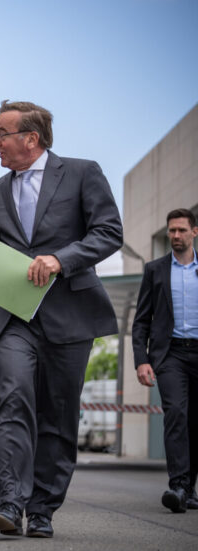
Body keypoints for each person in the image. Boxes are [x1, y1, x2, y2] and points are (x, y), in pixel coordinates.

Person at [0, 100, 122, 538]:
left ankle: (42, 508)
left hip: (69, 314)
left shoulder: (83, 172)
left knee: (58, 416)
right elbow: (5, 250)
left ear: (31, 138)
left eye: (0, 134)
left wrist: (60, 259)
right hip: (13, 318)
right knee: (11, 402)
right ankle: (9, 500)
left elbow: (108, 232)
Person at [132, 208, 198, 513]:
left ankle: (190, 489)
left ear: (194, 232)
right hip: (170, 354)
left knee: (194, 421)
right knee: (176, 413)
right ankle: (179, 486)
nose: (175, 236)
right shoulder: (155, 270)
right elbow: (141, 320)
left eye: (182, 230)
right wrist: (141, 360)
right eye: (172, 230)